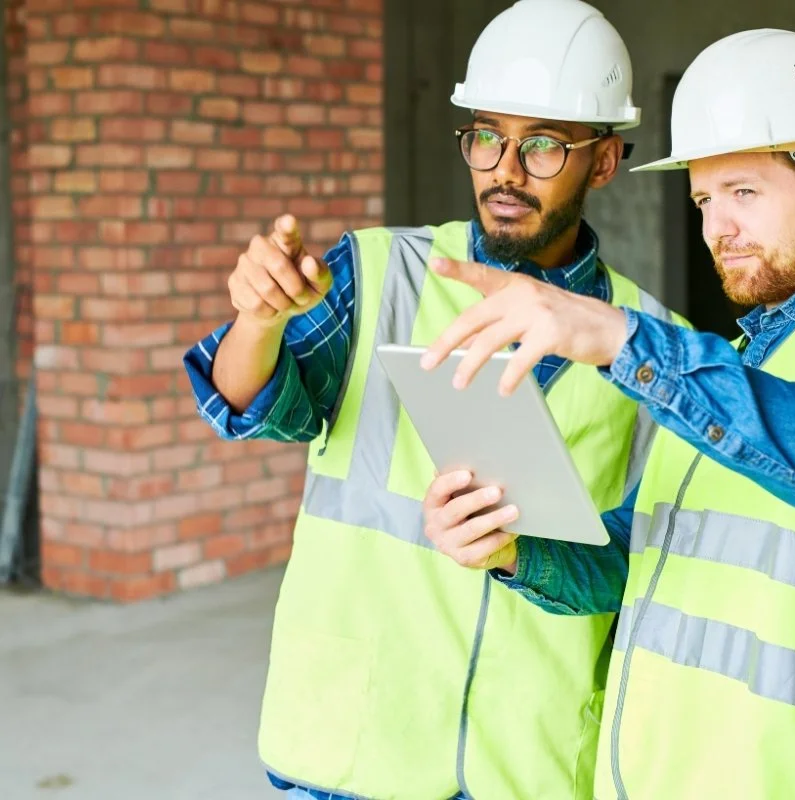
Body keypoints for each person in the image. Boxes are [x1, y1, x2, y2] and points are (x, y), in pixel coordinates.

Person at [419, 28, 795, 799]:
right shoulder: (731, 364)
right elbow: (638, 561)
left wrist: (619, 336)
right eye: (703, 199)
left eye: (745, 193)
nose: (716, 227)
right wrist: (510, 552)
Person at [182, 2, 679, 798]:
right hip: (353, 754)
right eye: (486, 136)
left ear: (606, 160)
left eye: (543, 144)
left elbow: (643, 563)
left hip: (529, 765)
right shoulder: (382, 270)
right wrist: (257, 321)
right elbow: (251, 405)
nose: (505, 170)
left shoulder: (651, 342)